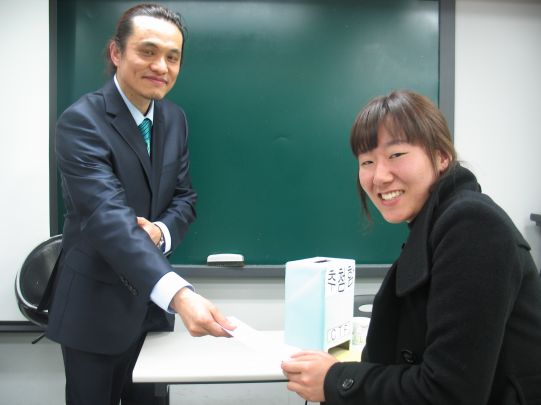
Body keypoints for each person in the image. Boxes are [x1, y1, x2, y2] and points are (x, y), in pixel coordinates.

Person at [281, 90, 541, 404]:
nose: (379, 176)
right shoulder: (438, 223)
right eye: (367, 161)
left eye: (396, 155)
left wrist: (335, 380)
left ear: (442, 157)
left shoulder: (473, 225)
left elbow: (450, 393)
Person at [45, 4, 234, 404]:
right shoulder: (81, 122)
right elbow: (107, 217)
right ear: (116, 53)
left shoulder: (175, 119)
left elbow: (184, 197)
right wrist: (180, 295)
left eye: (172, 57)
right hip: (94, 310)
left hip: (151, 314)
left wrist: (160, 233)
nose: (161, 67)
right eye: (148, 51)